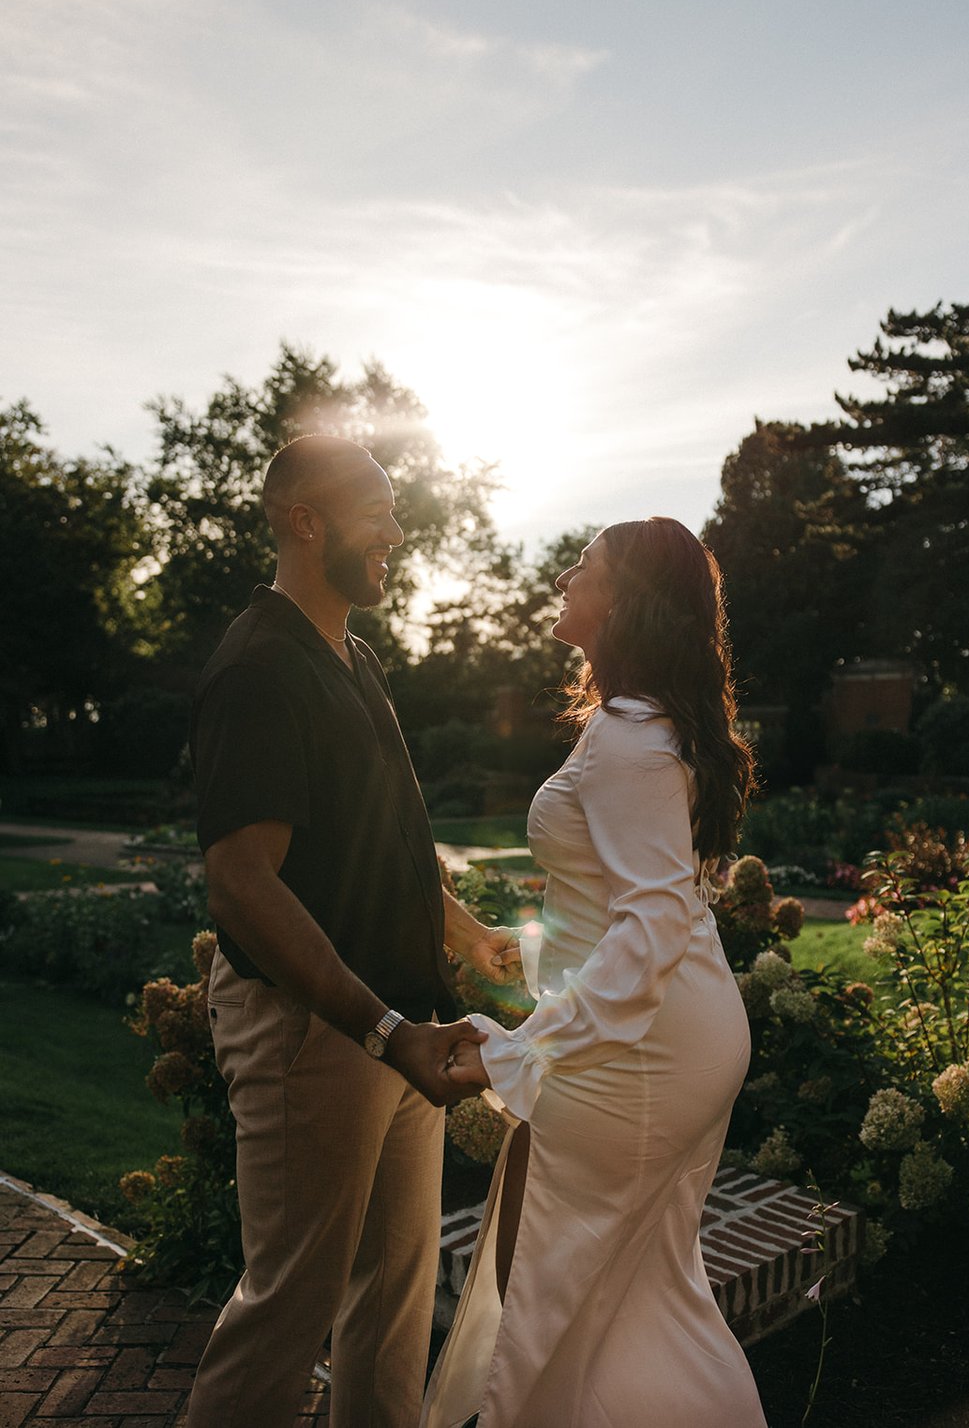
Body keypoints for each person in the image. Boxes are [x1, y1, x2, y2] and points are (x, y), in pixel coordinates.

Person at [184, 434, 519, 1428]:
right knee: (289, 1313)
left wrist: (459, 930)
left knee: (395, 1304)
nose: (397, 530)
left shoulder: (354, 652)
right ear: (305, 521)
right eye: (376, 510)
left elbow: (382, 835)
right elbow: (243, 886)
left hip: (400, 1026)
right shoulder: (258, 669)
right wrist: (381, 1032)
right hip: (312, 1035)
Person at [423, 517, 768, 1428]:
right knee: (638, 1294)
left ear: (622, 602)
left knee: (532, 1282)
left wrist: (524, 1048)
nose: (566, 574)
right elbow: (626, 901)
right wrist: (531, 954)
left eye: (586, 566)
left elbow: (652, 924)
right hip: (675, 1029)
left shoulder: (630, 735)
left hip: (643, 1049)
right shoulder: (650, 724)